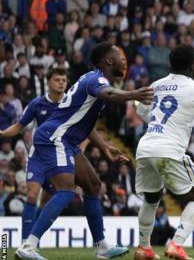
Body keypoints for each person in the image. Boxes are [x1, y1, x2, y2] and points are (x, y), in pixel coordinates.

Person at [15, 42, 153, 260]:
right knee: (66, 191)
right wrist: (133, 94)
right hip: (56, 138)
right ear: (108, 61)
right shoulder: (97, 80)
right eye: (119, 56)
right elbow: (108, 94)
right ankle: (29, 246)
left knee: (93, 186)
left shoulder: (92, 79)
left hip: (65, 139)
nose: (123, 61)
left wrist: (105, 146)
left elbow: (85, 123)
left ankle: (102, 247)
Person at [0, 68, 128, 249]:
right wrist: (3, 133)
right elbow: (19, 126)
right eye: (57, 80)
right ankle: (26, 242)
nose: (61, 83)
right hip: (40, 154)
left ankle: (32, 243)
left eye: (64, 80)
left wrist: (104, 146)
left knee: (50, 200)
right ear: (48, 82)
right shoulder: (37, 104)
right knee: (32, 195)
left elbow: (87, 127)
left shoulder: (71, 102)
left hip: (64, 151)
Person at [133, 45, 194, 260]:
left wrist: (159, 124)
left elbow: (140, 110)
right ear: (193, 64)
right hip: (169, 150)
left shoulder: (157, 85)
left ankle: (143, 248)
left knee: (151, 199)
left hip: (146, 148)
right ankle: (176, 244)